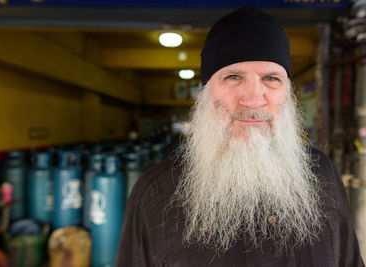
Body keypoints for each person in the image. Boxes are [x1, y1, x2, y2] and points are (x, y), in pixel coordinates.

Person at [115, 6, 364, 266]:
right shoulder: (155, 193)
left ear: (287, 94)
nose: (254, 99)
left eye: (271, 78)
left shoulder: (322, 174)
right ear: (205, 94)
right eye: (233, 77)